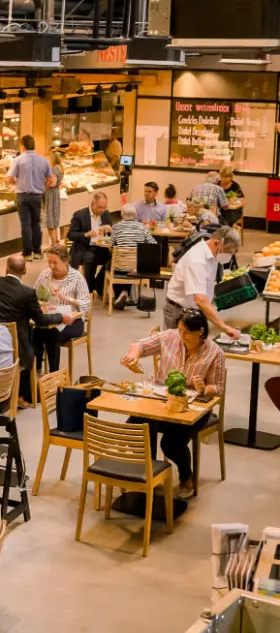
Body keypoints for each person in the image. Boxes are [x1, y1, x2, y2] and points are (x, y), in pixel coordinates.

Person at [122, 309, 227, 498]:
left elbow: (218, 388)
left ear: (201, 332)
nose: (182, 335)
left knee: (171, 444)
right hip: (161, 403)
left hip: (192, 409)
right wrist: (133, 355)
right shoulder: (170, 337)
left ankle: (187, 477)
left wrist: (204, 388)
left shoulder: (215, 353)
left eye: (187, 332)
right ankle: (149, 475)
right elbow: (140, 344)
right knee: (135, 429)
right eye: (180, 330)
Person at [0, 253, 70, 383]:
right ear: (24, 271)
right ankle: (28, 389)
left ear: (6, 269)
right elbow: (41, 320)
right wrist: (60, 317)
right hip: (16, 344)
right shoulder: (27, 293)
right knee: (39, 339)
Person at [163, 225, 242, 336]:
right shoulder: (197, 260)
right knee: (177, 345)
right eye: (228, 251)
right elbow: (200, 300)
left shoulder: (212, 254)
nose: (229, 256)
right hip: (179, 311)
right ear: (217, 243)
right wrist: (224, 327)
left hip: (193, 310)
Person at [32, 245, 90, 373]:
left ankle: (54, 373)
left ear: (65, 261)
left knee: (52, 334)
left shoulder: (77, 278)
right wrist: (41, 303)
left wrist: (66, 298)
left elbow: (86, 305)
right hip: (50, 318)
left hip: (72, 321)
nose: (51, 266)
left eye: (55, 263)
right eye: (49, 262)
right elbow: (33, 294)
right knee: (34, 333)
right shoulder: (45, 274)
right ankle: (36, 371)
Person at [5, 135, 52, 261]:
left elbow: (9, 179)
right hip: (37, 196)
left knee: (25, 224)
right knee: (36, 223)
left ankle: (27, 254)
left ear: (22, 146)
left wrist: (18, 183)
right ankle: (37, 252)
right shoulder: (43, 160)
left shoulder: (17, 160)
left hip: (23, 195)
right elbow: (51, 180)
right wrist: (42, 187)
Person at [67, 188, 114, 297]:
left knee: (113, 259)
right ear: (92, 204)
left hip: (102, 247)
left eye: (104, 207)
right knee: (90, 258)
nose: (102, 210)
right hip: (85, 247)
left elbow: (112, 235)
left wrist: (110, 230)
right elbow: (70, 235)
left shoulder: (106, 214)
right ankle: (89, 290)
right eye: (100, 207)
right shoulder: (79, 215)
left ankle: (98, 284)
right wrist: (86, 234)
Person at [44, 150, 65, 245]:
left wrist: (44, 182)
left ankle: (53, 243)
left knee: (50, 219)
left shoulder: (54, 168)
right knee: (55, 217)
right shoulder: (60, 167)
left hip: (51, 194)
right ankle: (56, 241)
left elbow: (52, 183)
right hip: (55, 193)